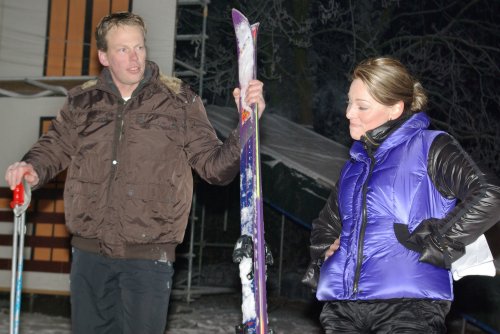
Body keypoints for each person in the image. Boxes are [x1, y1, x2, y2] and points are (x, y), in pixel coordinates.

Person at [4, 12, 265, 334]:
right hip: (89, 252)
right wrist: (30, 167)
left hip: (148, 255)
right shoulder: (83, 103)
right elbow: (53, 147)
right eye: (123, 49)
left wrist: (246, 125)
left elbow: (215, 168)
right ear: (103, 56)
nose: (134, 58)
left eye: (139, 48)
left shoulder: (178, 101)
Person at [302, 57, 500, 333]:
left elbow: (489, 193)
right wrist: (326, 250)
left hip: (409, 308)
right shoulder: (355, 165)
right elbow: (325, 225)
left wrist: (441, 242)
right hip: (342, 311)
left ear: (395, 108)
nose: (348, 113)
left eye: (361, 106)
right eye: (349, 102)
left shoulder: (430, 146)